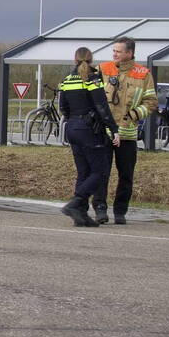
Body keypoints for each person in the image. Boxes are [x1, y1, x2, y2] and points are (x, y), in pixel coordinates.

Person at [94, 36, 157, 224]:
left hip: (127, 134)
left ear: (129, 53)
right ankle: (100, 209)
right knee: (100, 172)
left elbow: (151, 102)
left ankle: (120, 211)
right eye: (113, 51)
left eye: (118, 51)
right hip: (104, 132)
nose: (114, 54)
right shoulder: (103, 69)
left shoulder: (143, 74)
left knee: (126, 175)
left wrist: (132, 116)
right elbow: (91, 94)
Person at [58, 46, 119, 227]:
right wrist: (113, 128)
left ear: (74, 60)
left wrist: (74, 121)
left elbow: (63, 108)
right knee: (100, 172)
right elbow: (101, 106)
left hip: (72, 128)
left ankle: (81, 215)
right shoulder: (92, 78)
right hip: (89, 130)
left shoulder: (67, 80)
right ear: (91, 60)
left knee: (83, 172)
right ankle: (76, 203)